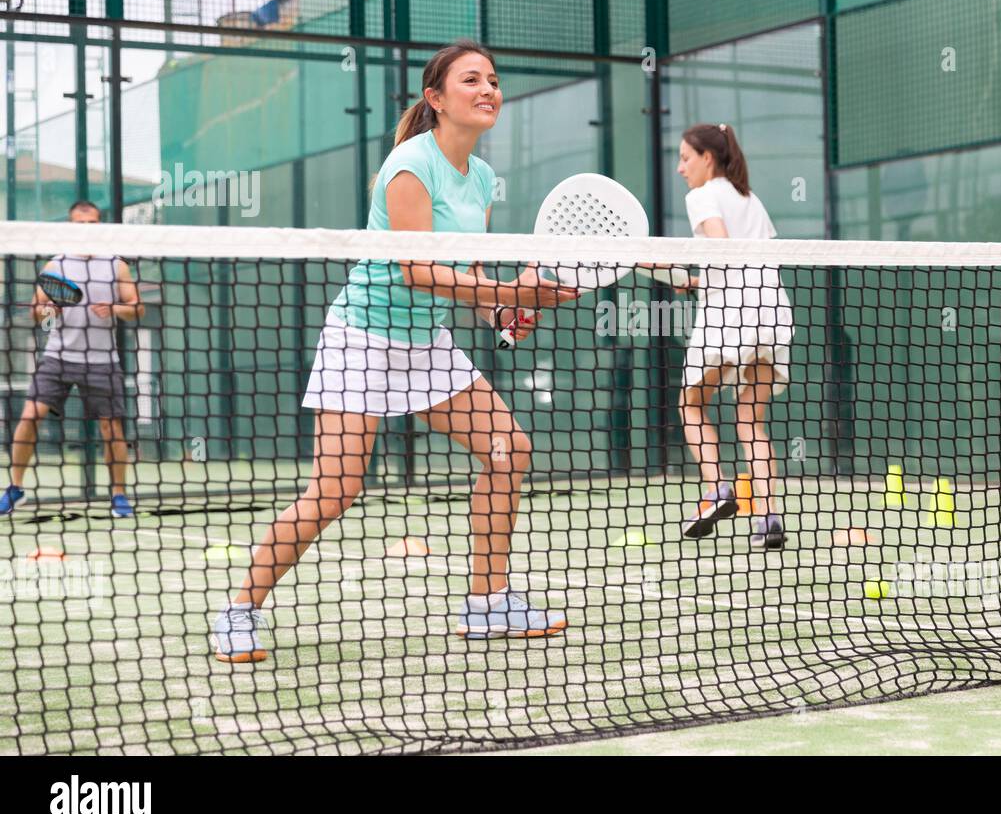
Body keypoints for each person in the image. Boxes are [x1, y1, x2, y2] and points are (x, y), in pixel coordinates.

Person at [211, 40, 579, 662]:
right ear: (435, 98)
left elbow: (467, 274)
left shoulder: (482, 176)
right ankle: (240, 610)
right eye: (471, 80)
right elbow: (416, 270)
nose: (488, 89)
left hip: (426, 342)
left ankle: (488, 605)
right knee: (335, 491)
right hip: (363, 340)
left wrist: (507, 310)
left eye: (493, 80)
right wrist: (506, 289)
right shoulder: (410, 164)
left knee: (507, 448)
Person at [672, 123, 794, 550]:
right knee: (750, 420)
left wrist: (699, 276)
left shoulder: (702, 195)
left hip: (731, 314)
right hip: (772, 312)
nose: (680, 168)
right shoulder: (750, 198)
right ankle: (767, 518)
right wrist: (695, 280)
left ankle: (717, 488)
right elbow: (750, 261)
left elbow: (724, 252)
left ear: (708, 158)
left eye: (686, 157)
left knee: (690, 404)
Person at [0, 201, 143, 518]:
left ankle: (118, 496)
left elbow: (137, 307)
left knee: (111, 427)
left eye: (92, 223)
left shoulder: (116, 265)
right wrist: (51, 310)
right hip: (59, 357)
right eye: (80, 224)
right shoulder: (56, 265)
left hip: (103, 360)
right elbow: (38, 314)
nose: (86, 230)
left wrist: (114, 308)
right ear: (69, 227)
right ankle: (14, 489)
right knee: (29, 416)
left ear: (100, 226)